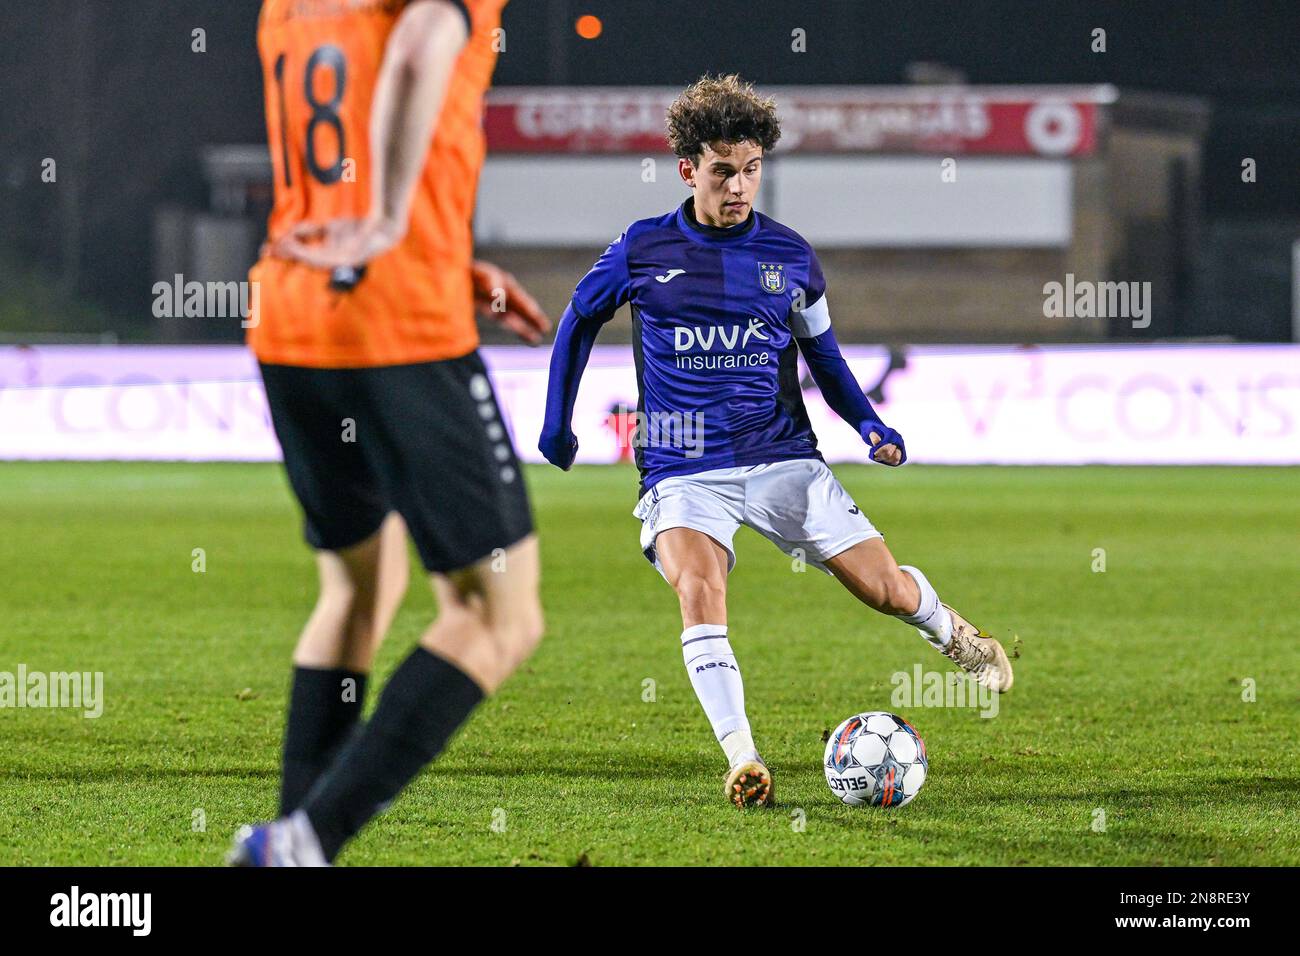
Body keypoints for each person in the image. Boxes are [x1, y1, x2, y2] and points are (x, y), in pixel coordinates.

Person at [539, 74, 1013, 810]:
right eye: (723, 171)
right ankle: (742, 758)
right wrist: (556, 422)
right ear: (689, 169)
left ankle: (953, 632)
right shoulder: (643, 248)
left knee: (882, 589)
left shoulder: (790, 257)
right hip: (681, 461)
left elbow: (824, 357)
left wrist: (869, 425)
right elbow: (576, 321)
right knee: (700, 590)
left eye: (752, 169)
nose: (739, 186)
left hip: (783, 456)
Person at [230, 0, 548, 865]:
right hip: (393, 322)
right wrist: (396, 226)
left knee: (357, 588)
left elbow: (354, 105)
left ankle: (296, 846)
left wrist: (447, 260)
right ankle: (306, 840)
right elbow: (416, 50)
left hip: (293, 311)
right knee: (497, 614)